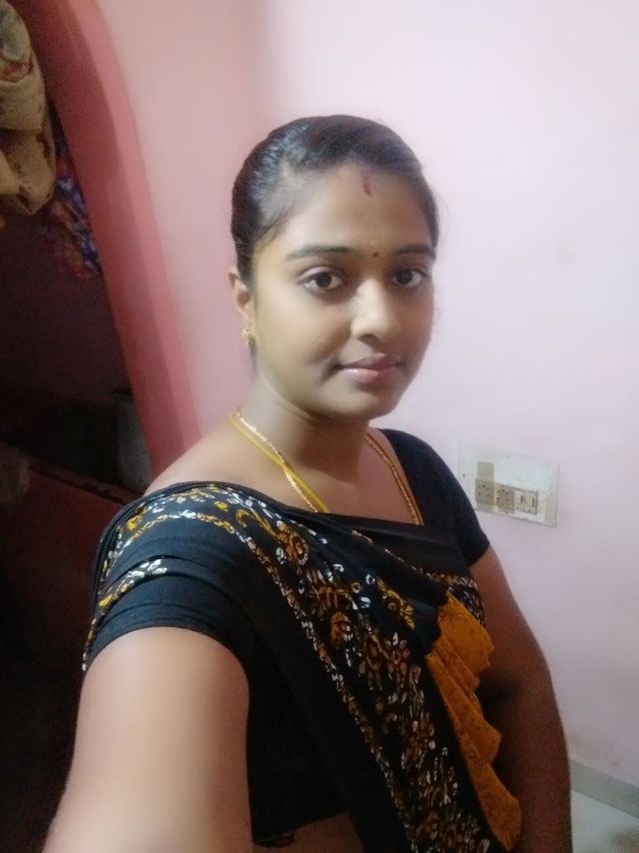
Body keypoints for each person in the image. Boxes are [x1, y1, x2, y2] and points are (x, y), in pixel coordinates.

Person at [44, 116, 571, 852]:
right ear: (245, 298)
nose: (381, 319)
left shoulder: (413, 469)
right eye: (326, 278)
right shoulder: (193, 558)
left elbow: (519, 683)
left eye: (407, 275)